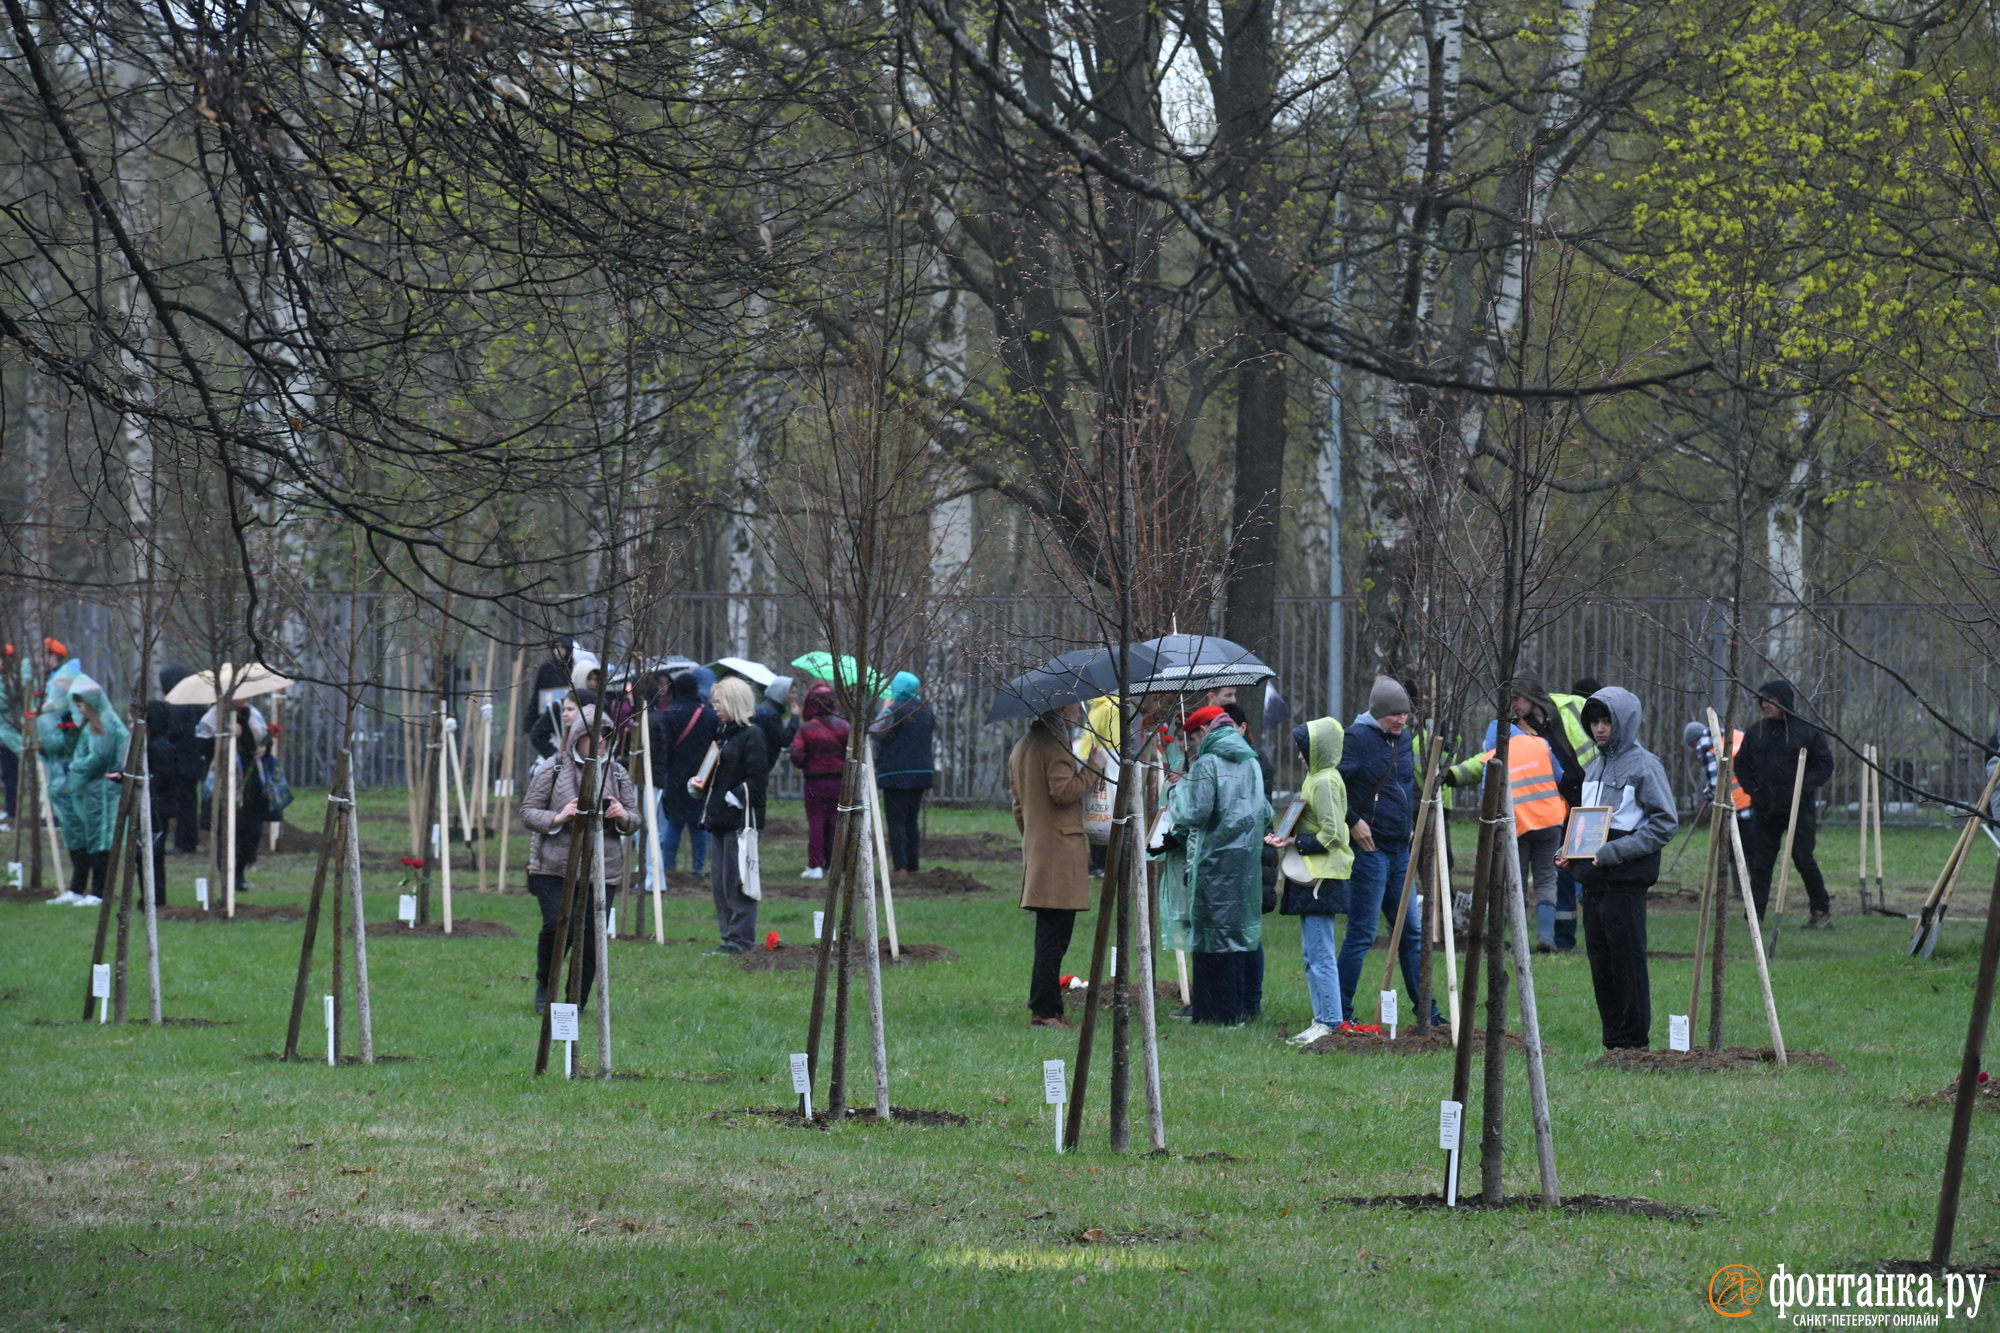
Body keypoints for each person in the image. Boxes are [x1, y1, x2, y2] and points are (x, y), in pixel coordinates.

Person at [1559, 687, 1678, 1050]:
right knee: (1602, 965)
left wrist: (1615, 852)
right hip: (1593, 882)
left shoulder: (1645, 766)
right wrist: (1569, 853)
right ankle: (1613, 1042)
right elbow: (1587, 826)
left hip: (1625, 882)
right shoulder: (1594, 766)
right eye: (1594, 721)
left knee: (1626, 964)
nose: (1599, 729)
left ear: (1623, 722)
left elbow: (1664, 823)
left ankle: (1633, 1043)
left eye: (1606, 721)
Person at [519, 707, 641, 1014]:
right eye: (593, 734)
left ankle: (576, 1002)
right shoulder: (554, 766)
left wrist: (622, 816)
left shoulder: (617, 772)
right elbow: (528, 811)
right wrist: (560, 816)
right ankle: (545, 990)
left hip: (603, 869)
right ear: (577, 736)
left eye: (605, 734)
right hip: (553, 867)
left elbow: (635, 818)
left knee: (590, 937)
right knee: (557, 926)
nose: (600, 741)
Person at [1335, 677, 1429, 1022]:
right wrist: (1352, 821)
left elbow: (1406, 784)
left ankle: (1426, 1012)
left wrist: (1409, 822)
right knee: (1362, 933)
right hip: (1370, 850)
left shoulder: (1403, 740)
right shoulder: (1355, 739)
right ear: (1378, 712)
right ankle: (1341, 1011)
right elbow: (1332, 787)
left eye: (1405, 713)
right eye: (1394, 714)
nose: (1401, 720)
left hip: (1400, 849)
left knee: (1412, 934)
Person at [1167, 705, 1267, 1025]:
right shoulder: (1250, 761)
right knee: (1235, 936)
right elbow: (1265, 812)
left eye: (1193, 738)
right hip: (1245, 863)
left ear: (1203, 732)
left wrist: (1176, 790)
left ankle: (1214, 1014)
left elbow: (1194, 813)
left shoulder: (1208, 763)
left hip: (1211, 862)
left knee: (1210, 937)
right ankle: (1237, 1008)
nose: (1191, 747)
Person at [1010, 702, 1105, 1029]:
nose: (1080, 711)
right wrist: (1093, 767)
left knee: (1049, 935)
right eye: (1074, 705)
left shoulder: (1023, 745)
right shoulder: (1056, 742)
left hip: (1040, 850)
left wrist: (1035, 839)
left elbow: (1019, 808)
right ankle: (1045, 1011)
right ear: (1062, 708)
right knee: (1054, 938)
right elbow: (1063, 791)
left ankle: (1048, 1005)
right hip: (1059, 853)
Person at [1444, 718, 1567, 951]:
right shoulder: (1541, 744)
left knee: (1515, 883)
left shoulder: (1493, 757)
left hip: (1516, 826)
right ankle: (1546, 937)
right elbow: (1559, 777)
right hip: (1550, 821)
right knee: (1547, 879)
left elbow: (1487, 799)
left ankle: (1516, 940)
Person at [1269, 717, 1352, 1046]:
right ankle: (1322, 1018)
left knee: (1320, 952)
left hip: (1322, 877)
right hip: (1313, 875)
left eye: (1304, 749)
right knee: (1311, 952)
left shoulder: (1324, 781)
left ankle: (1329, 1021)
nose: (1300, 755)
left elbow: (1334, 834)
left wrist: (1293, 843)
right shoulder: (1316, 778)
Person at [1735, 679, 1835, 927]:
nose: (1765, 705)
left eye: (1771, 700)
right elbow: (1741, 765)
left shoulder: (1806, 732)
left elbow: (1824, 764)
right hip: (1765, 809)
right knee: (1760, 863)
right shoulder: (1756, 731)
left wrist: (1801, 787)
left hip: (1798, 808)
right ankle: (1754, 916)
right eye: (1762, 700)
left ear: (1785, 702)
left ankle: (1820, 912)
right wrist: (1754, 791)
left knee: (1803, 858)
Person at [698, 677, 768, 954]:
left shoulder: (753, 736)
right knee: (720, 882)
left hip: (740, 823)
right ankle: (729, 936)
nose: (715, 708)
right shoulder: (723, 734)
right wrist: (700, 787)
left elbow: (758, 781)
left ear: (735, 703)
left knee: (738, 881)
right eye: (714, 702)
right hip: (719, 819)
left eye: (720, 703)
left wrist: (732, 795)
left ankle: (740, 939)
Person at [47, 674, 128, 906]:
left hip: (101, 791)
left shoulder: (103, 726)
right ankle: (86, 889)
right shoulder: (95, 725)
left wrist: (74, 766)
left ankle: (99, 892)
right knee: (92, 838)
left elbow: (98, 758)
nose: (79, 710)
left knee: (100, 839)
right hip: (93, 791)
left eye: (81, 704)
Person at [1222, 702, 1275, 1017]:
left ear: (1242, 729)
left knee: (1248, 932)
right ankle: (1244, 999)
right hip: (1250, 853)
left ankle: (1250, 1001)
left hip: (1253, 854)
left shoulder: (1253, 761)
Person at [198, 701, 272, 893]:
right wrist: (226, 737)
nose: (244, 699)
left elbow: (264, 739)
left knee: (253, 831)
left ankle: (239, 870)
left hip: (251, 780)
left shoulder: (253, 714)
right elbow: (203, 747)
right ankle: (228, 878)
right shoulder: (213, 717)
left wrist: (265, 748)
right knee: (228, 830)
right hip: (223, 782)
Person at [871, 672, 935, 875]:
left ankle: (900, 867)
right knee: (911, 821)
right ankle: (913, 865)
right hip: (921, 772)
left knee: (896, 821)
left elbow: (877, 732)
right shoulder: (926, 711)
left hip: (897, 774)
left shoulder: (896, 711)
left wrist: (884, 710)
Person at [652, 672, 716, 874]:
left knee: (675, 823)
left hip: (677, 775)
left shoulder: (669, 715)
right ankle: (698, 868)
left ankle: (669, 867)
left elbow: (666, 749)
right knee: (698, 824)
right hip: (702, 776)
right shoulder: (710, 715)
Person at [148, 665, 207, 862]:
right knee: (188, 804)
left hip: (181, 763)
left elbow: (173, 731)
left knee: (184, 805)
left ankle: (185, 842)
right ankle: (186, 841)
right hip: (193, 762)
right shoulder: (197, 704)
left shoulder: (178, 705)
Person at [790, 684, 849, 880]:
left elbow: (797, 756)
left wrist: (810, 761)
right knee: (836, 821)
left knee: (816, 821)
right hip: (839, 781)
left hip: (814, 782)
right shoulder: (844, 726)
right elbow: (852, 753)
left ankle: (815, 865)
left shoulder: (806, 729)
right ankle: (837, 862)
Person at [753, 676, 797, 773]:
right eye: (792, 692)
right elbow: (784, 740)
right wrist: (795, 718)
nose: (795, 696)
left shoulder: (769, 707)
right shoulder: (773, 714)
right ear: (783, 693)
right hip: (761, 763)